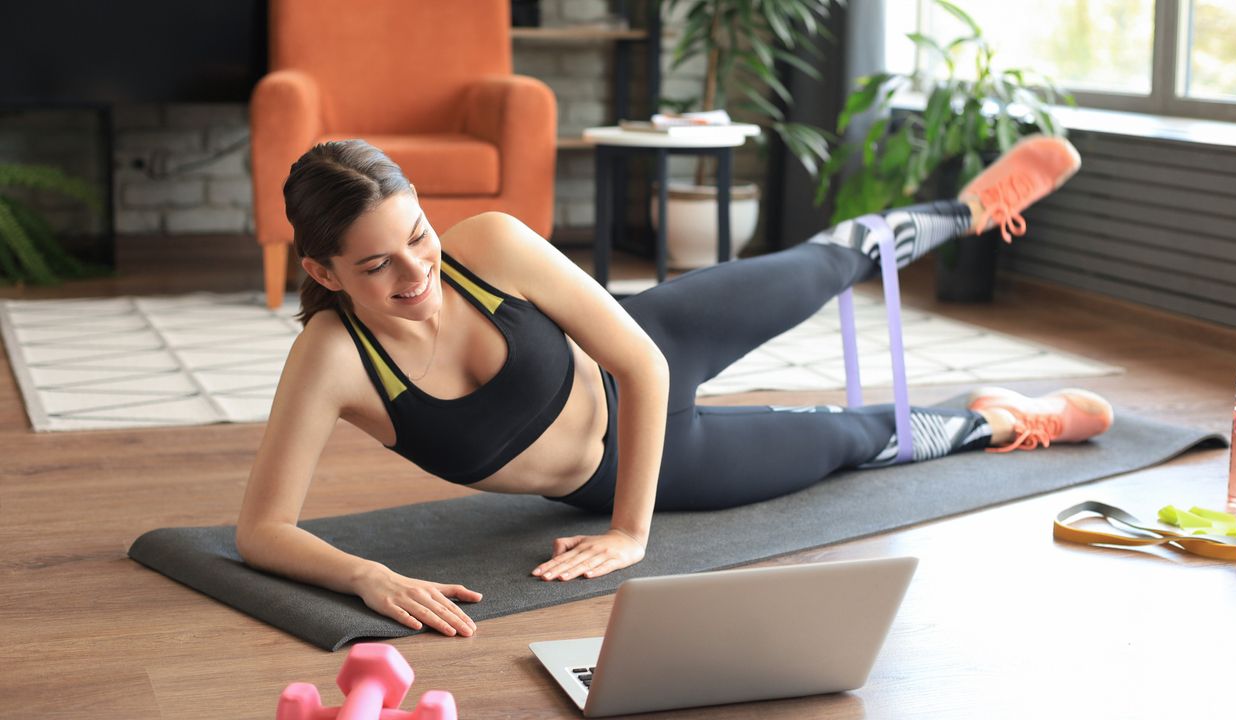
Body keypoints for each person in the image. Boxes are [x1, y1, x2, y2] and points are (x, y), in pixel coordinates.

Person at [236, 135, 1114, 639]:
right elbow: (262, 529)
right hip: (638, 464)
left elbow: (641, 362)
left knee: (817, 266)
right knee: (847, 442)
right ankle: (1000, 422)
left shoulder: (489, 247)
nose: (416, 271)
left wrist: (630, 532)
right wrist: (364, 576)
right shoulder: (333, 357)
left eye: (419, 236)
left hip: (657, 343)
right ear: (324, 269)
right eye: (378, 265)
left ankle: (971, 207)